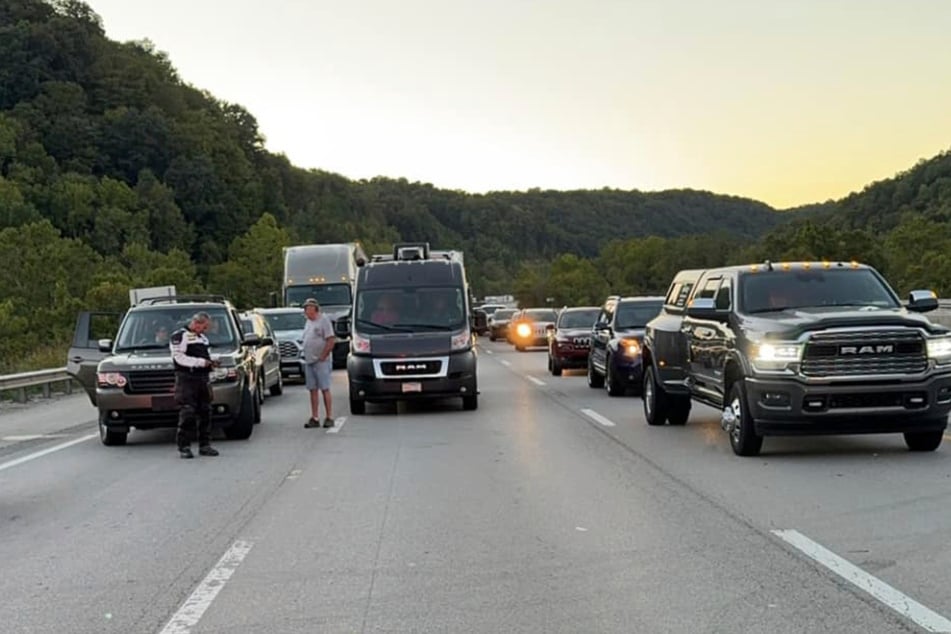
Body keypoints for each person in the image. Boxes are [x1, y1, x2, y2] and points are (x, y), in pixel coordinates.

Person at [169, 312, 220, 459]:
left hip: (202, 378)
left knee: (205, 411)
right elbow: (179, 358)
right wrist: (200, 362)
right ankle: (184, 446)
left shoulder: (202, 338)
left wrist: (211, 362)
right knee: (188, 412)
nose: (205, 330)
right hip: (187, 378)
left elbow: (205, 356)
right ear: (196, 323)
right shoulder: (180, 336)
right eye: (204, 327)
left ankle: (205, 445)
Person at [301, 298, 336, 428]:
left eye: (309, 308)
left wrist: (323, 355)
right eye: (305, 308)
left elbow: (331, 339)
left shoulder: (323, 320)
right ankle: (315, 417)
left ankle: (329, 416)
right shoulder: (308, 322)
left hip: (321, 361)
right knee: (312, 389)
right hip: (309, 360)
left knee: (325, 388)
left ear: (315, 309)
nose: (306, 311)